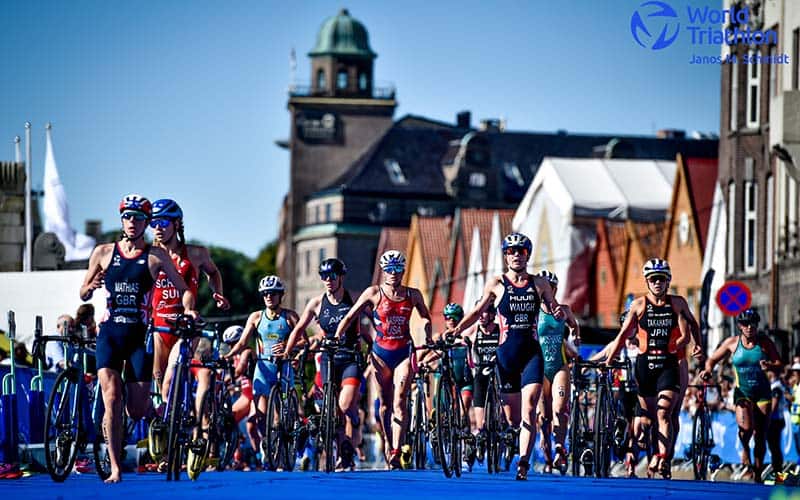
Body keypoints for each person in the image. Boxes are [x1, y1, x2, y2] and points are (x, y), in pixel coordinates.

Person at [79, 194, 198, 483]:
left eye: (139, 218)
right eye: (128, 217)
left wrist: (188, 311)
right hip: (109, 335)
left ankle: (155, 422)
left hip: (137, 338)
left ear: (146, 223)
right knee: (111, 398)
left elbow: (184, 289)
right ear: (121, 220)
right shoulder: (104, 252)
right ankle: (116, 467)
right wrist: (90, 286)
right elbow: (83, 292)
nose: (132, 222)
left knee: (137, 408)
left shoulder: (155, 257)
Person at [447, 233, 563, 480]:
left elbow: (553, 306)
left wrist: (563, 316)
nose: (516, 255)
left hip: (532, 353)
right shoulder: (497, 283)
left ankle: (523, 462)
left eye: (521, 251)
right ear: (506, 255)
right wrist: (457, 329)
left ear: (527, 255)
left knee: (530, 407)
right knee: (512, 418)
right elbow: (478, 311)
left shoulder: (539, 283)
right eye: (511, 251)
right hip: (506, 356)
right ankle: (512, 437)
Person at [334, 250, 433, 470]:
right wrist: (337, 336)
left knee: (399, 401)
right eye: (389, 270)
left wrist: (427, 333)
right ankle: (389, 444)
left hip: (404, 352)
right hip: (381, 354)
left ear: (403, 271)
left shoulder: (413, 294)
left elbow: (426, 316)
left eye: (397, 269)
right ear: (383, 271)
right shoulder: (373, 292)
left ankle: (397, 451)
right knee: (385, 405)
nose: (393, 274)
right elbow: (351, 315)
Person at [604, 258, 692, 479]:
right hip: (642, 374)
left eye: (661, 279)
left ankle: (664, 458)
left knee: (668, 414)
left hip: (673, 364)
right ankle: (642, 456)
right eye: (653, 279)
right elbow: (617, 340)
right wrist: (604, 363)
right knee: (647, 419)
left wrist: (695, 347)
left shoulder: (677, 305)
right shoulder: (639, 311)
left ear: (668, 281)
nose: (657, 283)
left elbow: (689, 333)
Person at [283, 258, 365, 470]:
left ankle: (350, 435)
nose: (328, 280)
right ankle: (343, 449)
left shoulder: (353, 299)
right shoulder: (316, 303)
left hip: (349, 357)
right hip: (328, 357)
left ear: (341, 277)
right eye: (324, 276)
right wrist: (286, 352)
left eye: (332, 276)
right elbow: (299, 328)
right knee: (330, 408)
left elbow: (371, 323)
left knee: (345, 405)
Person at [225, 275, 299, 468]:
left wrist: (287, 346)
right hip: (263, 368)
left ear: (280, 295)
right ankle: (268, 445)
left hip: (283, 367)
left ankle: (284, 447)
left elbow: (303, 342)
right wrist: (228, 355)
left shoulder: (290, 316)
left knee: (277, 418)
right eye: (265, 293)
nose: (268, 297)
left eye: (273, 293)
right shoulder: (256, 317)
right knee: (261, 415)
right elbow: (243, 342)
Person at [700, 308, 782, 482]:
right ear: (739, 325)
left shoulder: (765, 342)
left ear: (757, 325)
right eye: (745, 323)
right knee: (745, 430)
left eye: (753, 323)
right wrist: (707, 370)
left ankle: (758, 474)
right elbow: (712, 360)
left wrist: (770, 365)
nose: (749, 327)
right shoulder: (732, 343)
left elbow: (779, 363)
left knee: (760, 437)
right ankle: (745, 448)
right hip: (742, 391)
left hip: (762, 393)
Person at [535, 270, 579, 474]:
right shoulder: (534, 312)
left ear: (555, 289)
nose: (547, 291)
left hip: (559, 365)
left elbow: (574, 325)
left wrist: (576, 338)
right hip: (540, 368)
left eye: (551, 287)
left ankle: (560, 448)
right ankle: (546, 447)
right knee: (544, 416)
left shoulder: (564, 310)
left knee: (560, 408)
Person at [459, 301, 500, 462]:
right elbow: (460, 339)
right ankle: (481, 437)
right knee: (481, 423)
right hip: (480, 375)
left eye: (484, 313)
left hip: (498, 375)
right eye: (480, 313)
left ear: (492, 315)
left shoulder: (499, 331)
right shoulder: (475, 330)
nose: (481, 317)